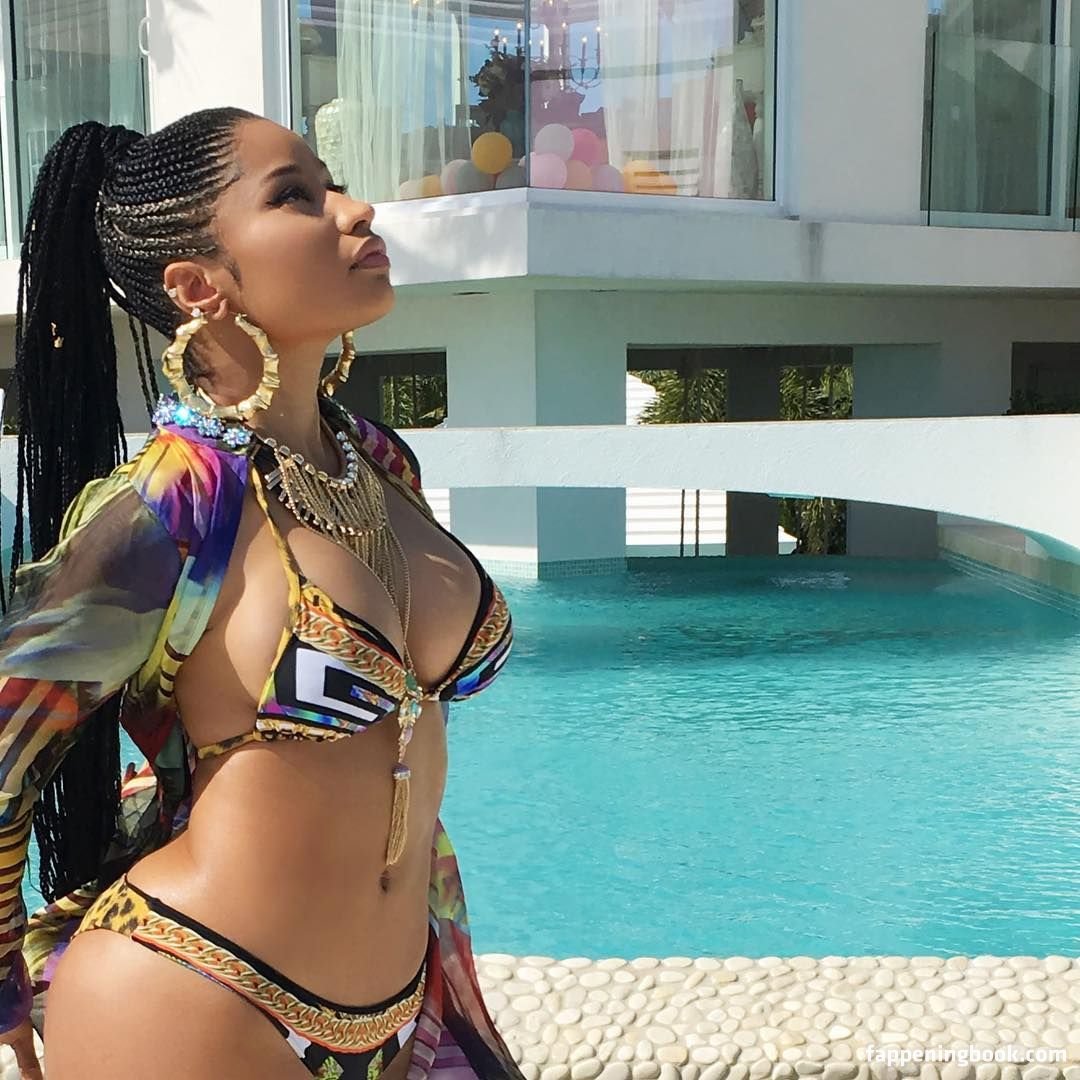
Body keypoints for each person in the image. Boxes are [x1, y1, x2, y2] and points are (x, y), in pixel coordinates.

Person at [0, 108, 519, 1079]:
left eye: (334, 184)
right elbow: (5, 744)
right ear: (199, 286)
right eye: (297, 197)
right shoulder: (173, 505)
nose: (355, 211)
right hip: (190, 996)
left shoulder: (381, 465)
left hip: (411, 1005)